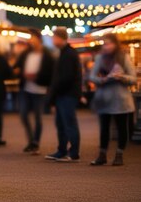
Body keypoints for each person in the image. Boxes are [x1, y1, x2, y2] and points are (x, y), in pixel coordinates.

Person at [89, 34, 136, 166]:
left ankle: (119, 154)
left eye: (109, 43)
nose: (106, 46)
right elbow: (92, 77)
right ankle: (102, 155)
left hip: (121, 99)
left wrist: (122, 77)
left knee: (122, 128)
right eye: (104, 43)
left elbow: (132, 78)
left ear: (115, 44)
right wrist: (102, 80)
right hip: (104, 98)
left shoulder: (123, 57)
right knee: (104, 128)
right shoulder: (100, 58)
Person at [13, 29, 54, 154]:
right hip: (26, 88)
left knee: (38, 116)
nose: (30, 40)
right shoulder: (26, 53)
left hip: (40, 89)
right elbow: (16, 67)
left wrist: (37, 77)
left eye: (32, 37)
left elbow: (50, 73)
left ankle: (35, 142)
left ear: (38, 39)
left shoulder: (47, 55)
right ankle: (31, 140)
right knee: (23, 114)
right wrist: (18, 72)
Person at [45, 27, 82, 162]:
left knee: (69, 123)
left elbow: (65, 78)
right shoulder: (64, 53)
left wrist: (54, 94)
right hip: (64, 94)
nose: (53, 40)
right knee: (61, 123)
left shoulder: (68, 54)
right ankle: (61, 150)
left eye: (54, 38)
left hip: (67, 94)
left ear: (60, 38)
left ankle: (73, 153)